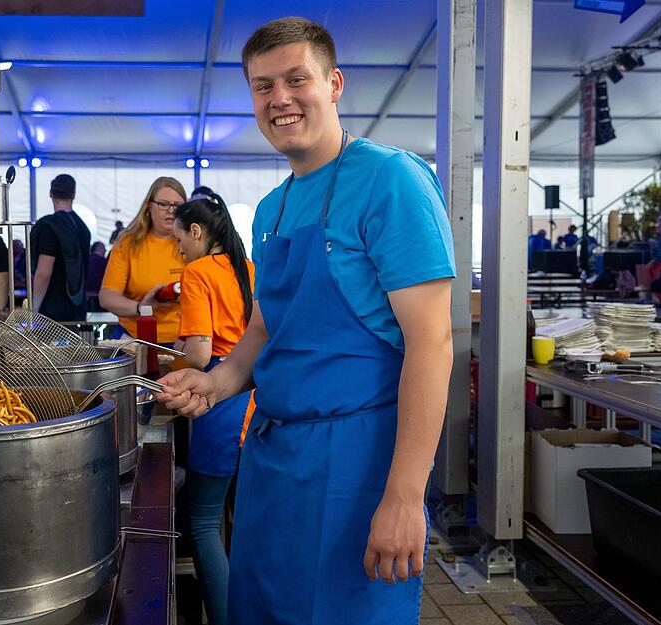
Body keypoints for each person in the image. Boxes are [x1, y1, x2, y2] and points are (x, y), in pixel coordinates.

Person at [156, 17, 455, 625]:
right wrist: (216, 382)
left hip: (356, 465)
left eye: (297, 80)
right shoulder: (273, 206)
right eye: (263, 87)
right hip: (272, 462)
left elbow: (433, 343)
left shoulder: (391, 182)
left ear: (335, 83)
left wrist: (404, 496)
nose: (280, 99)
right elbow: (265, 332)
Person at [171, 193, 254, 625]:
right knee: (245, 525)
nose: (179, 248)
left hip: (220, 402)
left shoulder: (198, 272)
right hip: (258, 404)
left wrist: (176, 353)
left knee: (202, 522)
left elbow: (201, 355)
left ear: (197, 232)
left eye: (179, 238)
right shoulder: (250, 270)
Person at [99, 178, 187, 343]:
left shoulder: (192, 242)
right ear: (149, 206)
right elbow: (107, 297)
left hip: (183, 341)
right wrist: (142, 308)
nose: (171, 210)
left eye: (178, 205)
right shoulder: (128, 243)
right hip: (137, 339)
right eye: (163, 204)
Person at [31, 174, 91, 321]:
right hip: (77, 307)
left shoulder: (50, 227)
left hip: (52, 312)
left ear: (51, 193)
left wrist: (34, 309)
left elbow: (43, 273)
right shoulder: (83, 228)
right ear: (74, 194)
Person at [85, 241, 108, 312]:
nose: (105, 251)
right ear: (100, 248)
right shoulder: (103, 262)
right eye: (104, 248)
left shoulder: (86, 260)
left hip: (86, 297)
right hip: (98, 296)